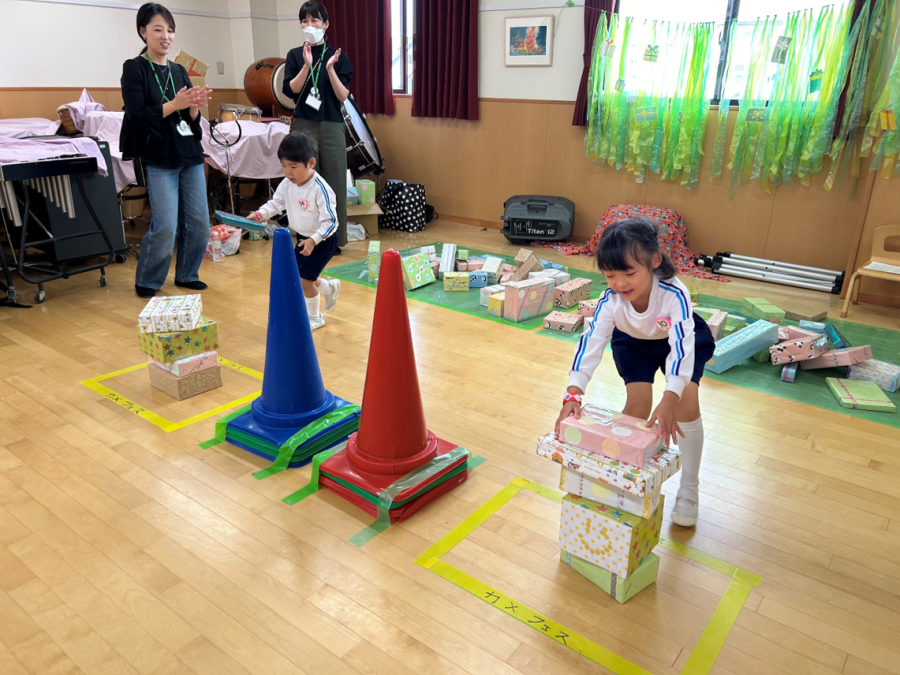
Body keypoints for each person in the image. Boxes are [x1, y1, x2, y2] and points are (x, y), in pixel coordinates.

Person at [555, 219, 715, 527]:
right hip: (633, 343)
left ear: (654, 261)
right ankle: (627, 483)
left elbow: (682, 345)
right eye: (610, 275)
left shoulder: (674, 293)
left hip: (678, 341)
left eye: (629, 273)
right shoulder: (611, 300)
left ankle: (689, 488)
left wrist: (670, 396)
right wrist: (573, 392)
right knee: (637, 407)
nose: (620, 283)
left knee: (685, 403)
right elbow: (592, 342)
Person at [120, 3, 213, 298]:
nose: (166, 36)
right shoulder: (134, 68)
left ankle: (187, 273)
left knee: (200, 224)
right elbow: (137, 116)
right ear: (143, 32)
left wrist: (194, 108)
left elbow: (190, 121)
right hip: (158, 157)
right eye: (158, 29)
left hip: (189, 154)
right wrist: (174, 105)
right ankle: (148, 279)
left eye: (170, 30)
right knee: (165, 226)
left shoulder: (179, 70)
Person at [247, 133, 341, 330]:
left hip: (322, 240)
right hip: (303, 238)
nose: (288, 172)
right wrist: (260, 214)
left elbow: (331, 222)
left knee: (305, 281)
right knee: (303, 278)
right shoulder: (287, 184)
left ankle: (315, 318)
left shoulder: (320, 188)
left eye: (293, 166)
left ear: (311, 163)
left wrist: (314, 240)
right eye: (283, 166)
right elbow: (276, 204)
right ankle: (328, 287)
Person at [282, 0, 353, 253]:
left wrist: (330, 68)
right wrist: (306, 65)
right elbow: (291, 90)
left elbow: (342, 95)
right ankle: (307, 238)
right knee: (304, 183)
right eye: (305, 21)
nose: (309, 25)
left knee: (334, 183)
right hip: (304, 124)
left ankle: (333, 240)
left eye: (314, 20)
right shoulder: (295, 55)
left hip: (332, 124)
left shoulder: (338, 56)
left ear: (325, 24)